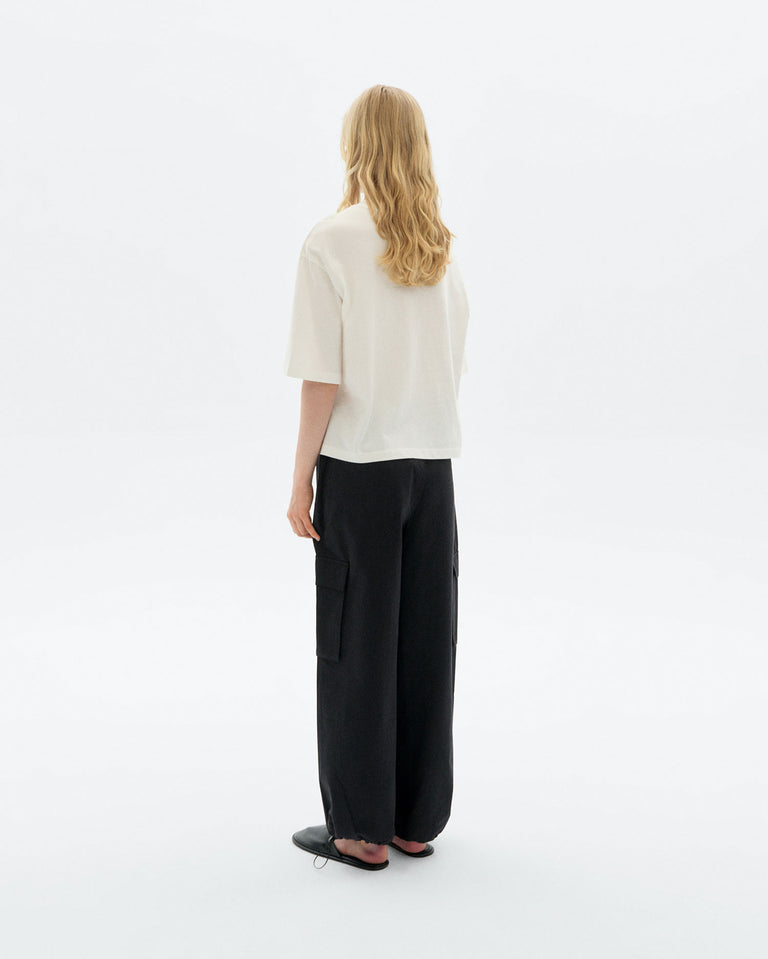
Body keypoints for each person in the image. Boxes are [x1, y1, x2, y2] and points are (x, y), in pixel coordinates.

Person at [285, 85, 469, 871]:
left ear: (355, 144)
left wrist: (301, 478)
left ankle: (360, 827)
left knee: (355, 641)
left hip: (360, 470)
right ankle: (414, 818)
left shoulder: (331, 241)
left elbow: (321, 377)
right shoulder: (438, 249)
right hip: (433, 470)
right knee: (425, 641)